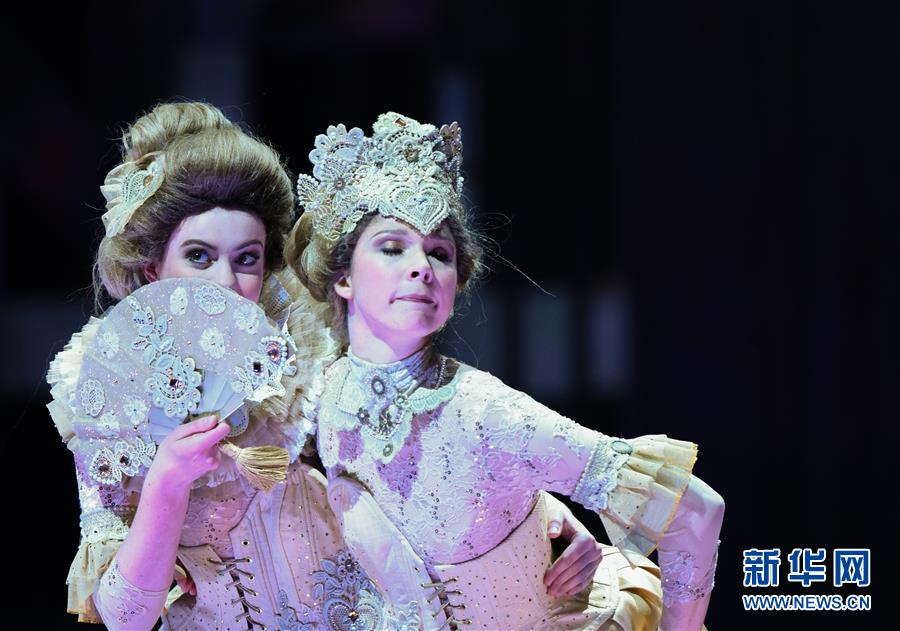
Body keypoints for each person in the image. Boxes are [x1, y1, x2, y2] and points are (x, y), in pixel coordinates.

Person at [47, 102, 605, 630]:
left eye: (246, 259)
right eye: (198, 256)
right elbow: (126, 617)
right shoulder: (106, 402)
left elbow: (426, 449)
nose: (225, 283)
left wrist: (538, 514)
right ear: (151, 270)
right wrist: (167, 482)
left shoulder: (307, 352)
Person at [286, 112, 725, 630]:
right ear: (342, 278)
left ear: (455, 286)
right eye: (392, 247)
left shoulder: (486, 412)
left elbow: (696, 509)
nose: (421, 266)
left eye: (439, 253)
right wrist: (548, 514)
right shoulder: (319, 394)